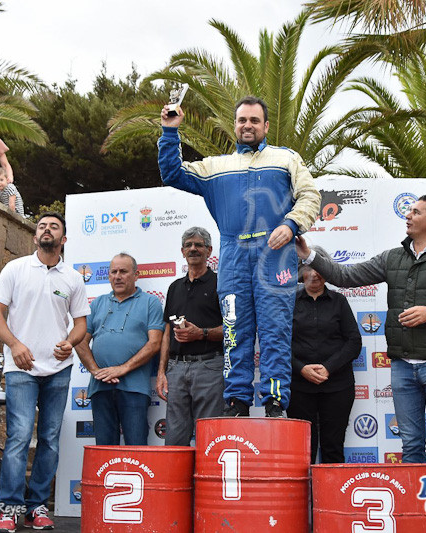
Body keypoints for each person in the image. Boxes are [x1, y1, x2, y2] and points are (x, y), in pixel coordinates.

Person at [296, 195, 426, 533]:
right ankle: (416, 519)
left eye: (416, 211)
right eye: (409, 210)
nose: (408, 215)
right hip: (402, 365)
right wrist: (309, 255)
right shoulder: (392, 258)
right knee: (411, 445)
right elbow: (345, 275)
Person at [158, 96, 320, 418]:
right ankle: (237, 402)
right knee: (234, 331)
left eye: (254, 120)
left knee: (275, 331)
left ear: (266, 126)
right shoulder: (215, 166)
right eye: (242, 120)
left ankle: (275, 401)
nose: (248, 125)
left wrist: (290, 225)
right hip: (233, 255)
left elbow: (310, 195)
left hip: (274, 254)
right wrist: (170, 131)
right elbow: (172, 173)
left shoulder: (286, 158)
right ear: (234, 125)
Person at [0, 211, 89, 533]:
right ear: (35, 236)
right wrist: (15, 345)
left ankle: (37, 507)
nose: (47, 229)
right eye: (42, 226)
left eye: (53, 226)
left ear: (63, 239)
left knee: (50, 440)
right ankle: (9, 509)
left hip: (58, 369)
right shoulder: (15, 269)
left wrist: (70, 342)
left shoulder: (73, 278)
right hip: (21, 367)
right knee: (19, 436)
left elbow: (81, 324)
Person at [75, 253, 164, 445]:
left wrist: (122, 369)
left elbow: (155, 343)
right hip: (100, 387)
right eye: (113, 272)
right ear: (108, 276)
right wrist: (96, 371)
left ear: (136, 275)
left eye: (123, 271)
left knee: (136, 449)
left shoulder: (151, 302)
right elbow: (80, 340)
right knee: (104, 449)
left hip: (134, 388)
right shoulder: (97, 303)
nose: (117, 276)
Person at [289, 250, 361, 464]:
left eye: (319, 268)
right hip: (299, 386)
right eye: (309, 268)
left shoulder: (339, 301)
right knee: (302, 452)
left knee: (333, 447)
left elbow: (354, 342)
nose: (314, 274)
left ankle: (332, 488)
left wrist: (328, 367)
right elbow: (278, 344)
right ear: (301, 272)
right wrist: (301, 368)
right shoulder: (288, 301)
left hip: (337, 386)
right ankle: (305, 489)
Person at [156, 227, 224, 446]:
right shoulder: (174, 287)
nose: (193, 249)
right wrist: (162, 372)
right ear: (182, 251)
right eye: (188, 245)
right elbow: (167, 333)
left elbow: (234, 330)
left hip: (210, 367)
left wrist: (201, 334)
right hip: (176, 370)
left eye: (199, 245)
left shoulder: (222, 284)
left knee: (209, 438)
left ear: (209, 251)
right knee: (174, 440)